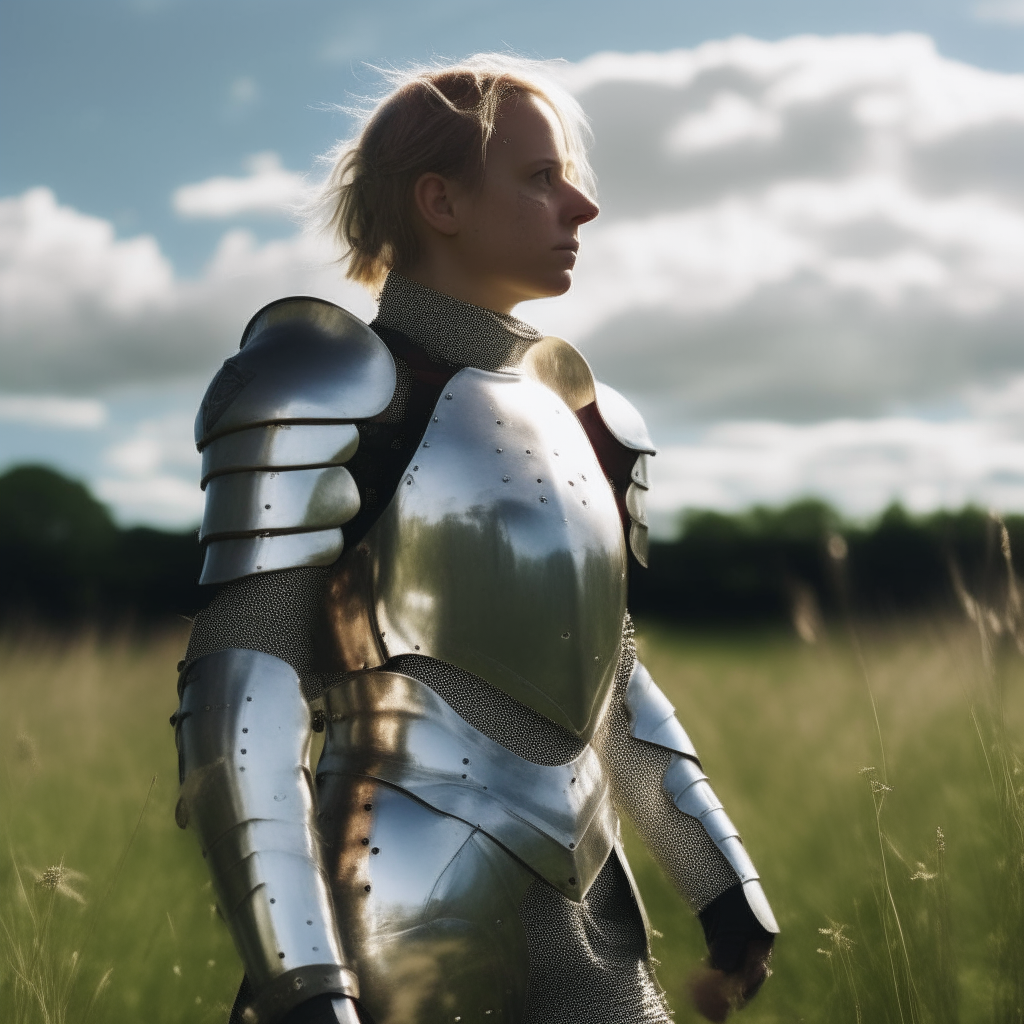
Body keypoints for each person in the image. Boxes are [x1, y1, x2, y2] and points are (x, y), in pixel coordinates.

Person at [173, 54, 778, 1024]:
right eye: (541, 178)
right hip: (391, 895)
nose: (579, 207)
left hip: (587, 887)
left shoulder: (587, 417)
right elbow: (242, 681)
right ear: (438, 201)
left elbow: (606, 674)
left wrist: (720, 883)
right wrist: (302, 977)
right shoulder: (323, 381)